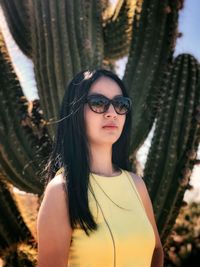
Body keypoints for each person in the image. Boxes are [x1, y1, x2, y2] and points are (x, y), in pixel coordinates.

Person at [37, 69, 164, 267]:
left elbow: (156, 250)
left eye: (121, 104)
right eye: (98, 103)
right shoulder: (61, 191)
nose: (112, 113)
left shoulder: (137, 184)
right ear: (76, 113)